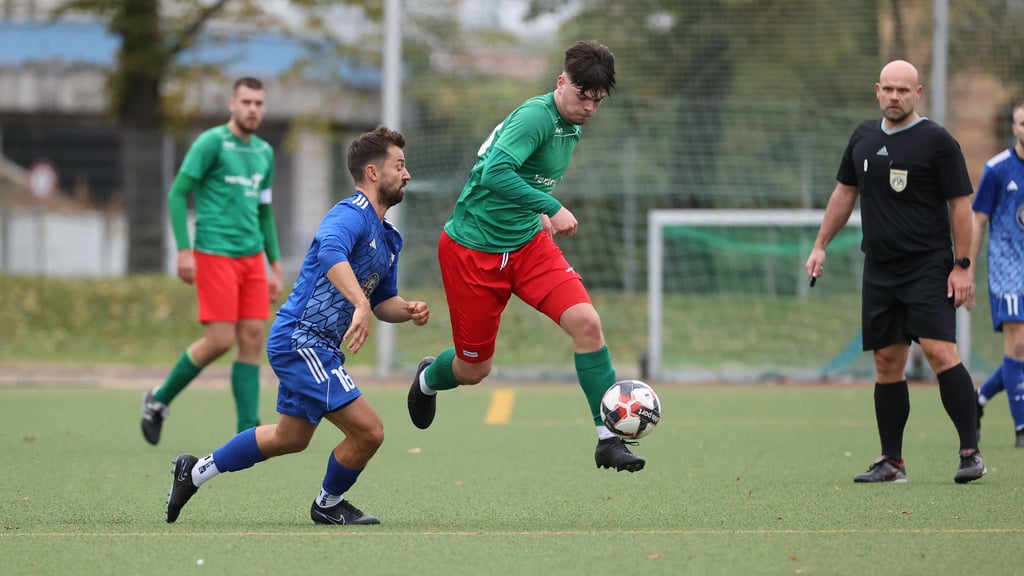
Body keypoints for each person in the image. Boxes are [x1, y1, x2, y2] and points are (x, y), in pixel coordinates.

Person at [165, 126, 428, 525]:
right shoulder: (349, 213)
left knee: (290, 438)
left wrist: (405, 308)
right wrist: (358, 301)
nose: (406, 174)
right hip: (302, 339)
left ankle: (194, 471)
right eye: (399, 165)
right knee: (370, 431)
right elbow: (330, 252)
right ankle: (328, 505)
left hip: (314, 345)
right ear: (373, 173)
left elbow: (380, 303)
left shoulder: (389, 238)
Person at [405, 40, 644, 473]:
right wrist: (551, 206)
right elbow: (494, 172)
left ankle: (608, 438)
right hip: (473, 251)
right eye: (581, 96)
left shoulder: (573, 125)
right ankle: (427, 378)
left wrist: (535, 209)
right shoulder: (536, 116)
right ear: (560, 82)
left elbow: (524, 177)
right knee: (474, 370)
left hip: (528, 246)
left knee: (587, 323)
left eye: (597, 100)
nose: (588, 107)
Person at [804, 59, 986, 484]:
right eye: (887, 89)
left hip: (928, 266)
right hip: (880, 269)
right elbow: (844, 193)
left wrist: (963, 266)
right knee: (887, 361)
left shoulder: (938, 142)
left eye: (903, 90)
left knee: (941, 352)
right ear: (877, 90)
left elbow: (962, 206)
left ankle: (970, 452)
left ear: (917, 93)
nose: (894, 97)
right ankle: (892, 461)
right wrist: (820, 245)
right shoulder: (863, 137)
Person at [141, 77, 284, 445]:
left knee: (252, 337)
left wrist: (275, 263)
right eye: (247, 102)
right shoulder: (211, 142)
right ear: (232, 104)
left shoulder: (265, 153)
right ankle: (159, 399)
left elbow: (265, 212)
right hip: (214, 253)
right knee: (220, 340)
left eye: (259, 103)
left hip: (252, 257)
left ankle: (247, 432)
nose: (253, 109)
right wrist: (184, 250)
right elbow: (177, 193)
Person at [970, 100, 1024, 448]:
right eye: (1022, 123)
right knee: (1018, 344)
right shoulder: (998, 169)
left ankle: (978, 399)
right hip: (1007, 269)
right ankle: (1022, 428)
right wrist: (968, 269)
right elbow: (978, 220)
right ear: (1015, 128)